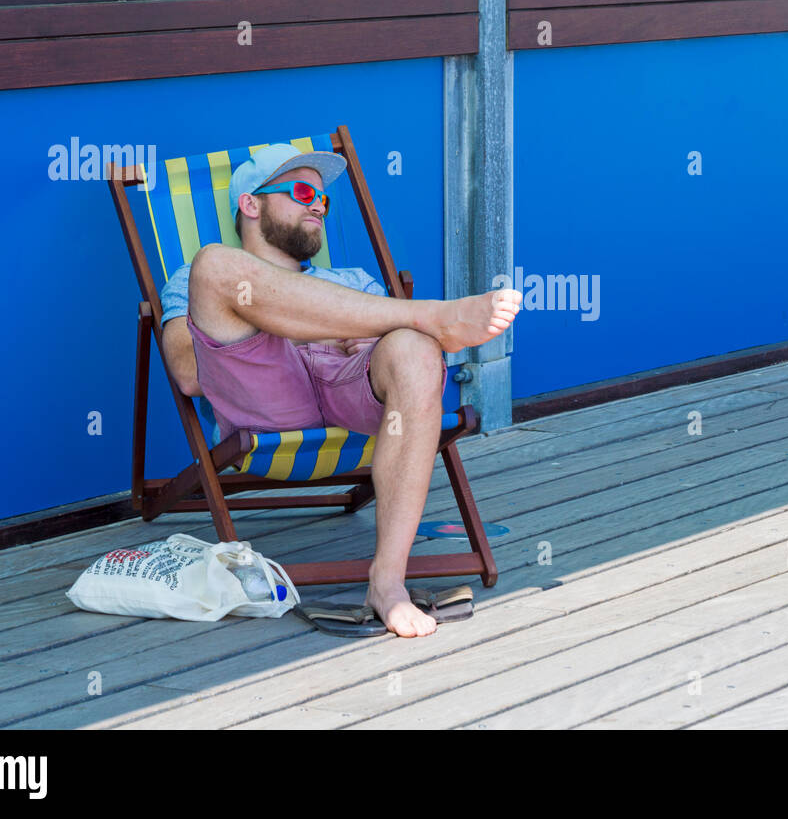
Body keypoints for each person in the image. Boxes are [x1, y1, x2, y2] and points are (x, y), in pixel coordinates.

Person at [158, 145, 522, 637]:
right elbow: (187, 372)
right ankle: (431, 315)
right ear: (250, 204)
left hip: (350, 393)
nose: (318, 206)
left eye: (324, 200)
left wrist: (351, 332)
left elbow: (390, 361)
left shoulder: (351, 281)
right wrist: (307, 328)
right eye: (304, 192)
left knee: (415, 349)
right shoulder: (198, 278)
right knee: (215, 265)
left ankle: (387, 582)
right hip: (267, 392)